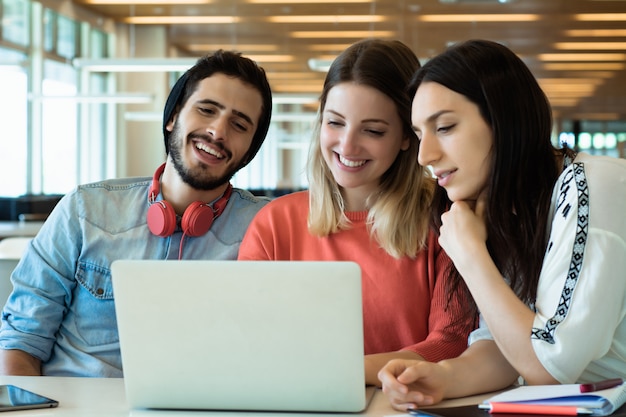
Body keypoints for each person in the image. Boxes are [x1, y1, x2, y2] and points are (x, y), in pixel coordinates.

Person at [378, 39, 626, 410]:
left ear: (504, 120)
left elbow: (547, 366)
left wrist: (471, 255)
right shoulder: (509, 206)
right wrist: (444, 377)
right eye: (418, 135)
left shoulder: (594, 187)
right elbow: (501, 345)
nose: (425, 155)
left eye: (444, 127)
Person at [0, 50, 273, 377]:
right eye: (206, 110)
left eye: (239, 124)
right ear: (173, 116)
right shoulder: (85, 211)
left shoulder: (265, 226)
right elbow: (21, 342)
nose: (217, 131)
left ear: (249, 152)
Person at [237, 38, 476, 386]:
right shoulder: (275, 223)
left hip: (401, 406)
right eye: (335, 123)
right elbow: (245, 338)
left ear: (408, 136)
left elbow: (449, 342)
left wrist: (335, 374)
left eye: (373, 130)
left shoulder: (445, 221)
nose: (347, 146)